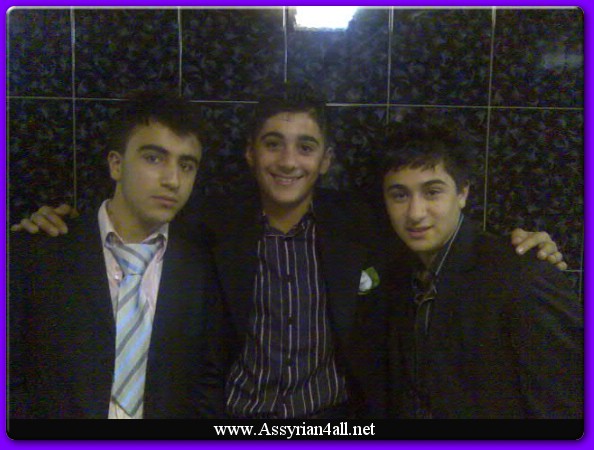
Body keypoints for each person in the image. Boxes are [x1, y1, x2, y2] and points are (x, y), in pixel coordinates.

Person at [11, 83, 568, 419]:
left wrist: (522, 249)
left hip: (336, 424)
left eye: (306, 147)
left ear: (326, 160)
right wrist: (57, 222)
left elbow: (438, 230)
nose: (287, 161)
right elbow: (131, 220)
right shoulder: (209, 225)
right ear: (251, 154)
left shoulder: (365, 225)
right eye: (273, 144)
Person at [9, 91, 225, 419]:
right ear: (116, 164)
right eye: (154, 158)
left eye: (186, 165)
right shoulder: (40, 251)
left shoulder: (201, 267)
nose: (172, 180)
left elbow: (207, 379)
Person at [380, 122, 583, 419]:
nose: (415, 213)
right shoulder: (402, 275)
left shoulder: (520, 276)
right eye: (399, 195)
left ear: (462, 193)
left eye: (432, 192)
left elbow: (566, 406)